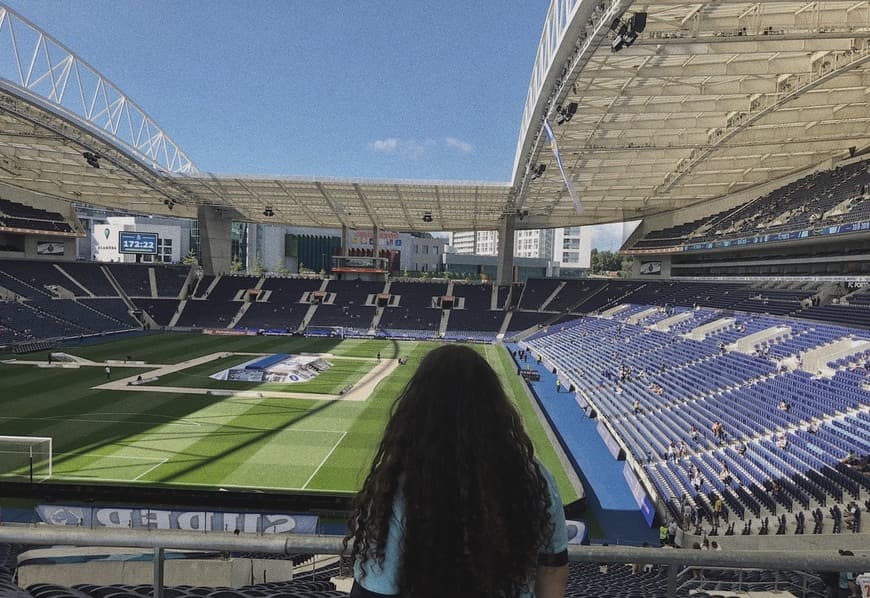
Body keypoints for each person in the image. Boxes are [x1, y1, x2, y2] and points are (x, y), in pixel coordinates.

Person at [345, 345, 568, 598]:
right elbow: (552, 570)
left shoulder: (397, 484)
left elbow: (376, 588)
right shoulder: (534, 478)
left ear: (417, 407)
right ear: (494, 405)